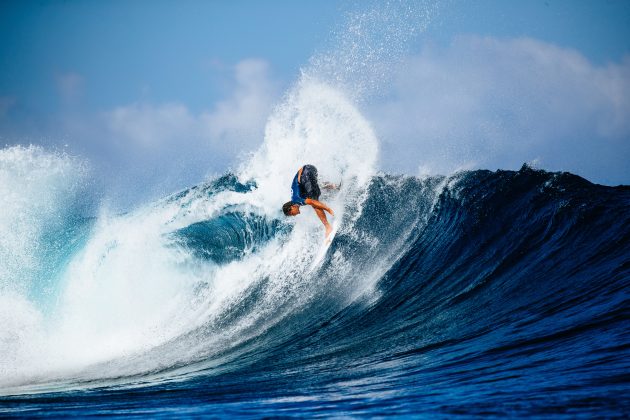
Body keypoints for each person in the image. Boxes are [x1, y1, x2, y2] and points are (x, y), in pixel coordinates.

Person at [282, 164, 336, 241]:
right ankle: (335, 186)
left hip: (306, 173)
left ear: (291, 208)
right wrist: (303, 169)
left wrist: (328, 209)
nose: (294, 215)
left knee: (314, 202)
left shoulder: (296, 200)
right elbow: (298, 176)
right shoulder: (295, 196)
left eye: (292, 214)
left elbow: (312, 202)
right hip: (309, 168)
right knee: (314, 189)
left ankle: (328, 227)